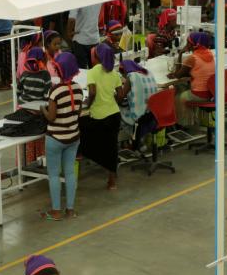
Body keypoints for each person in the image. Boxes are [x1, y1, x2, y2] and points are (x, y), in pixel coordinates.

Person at [42, 52, 83, 220]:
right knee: (70, 173)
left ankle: (56, 211)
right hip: (73, 137)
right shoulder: (79, 89)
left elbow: (51, 117)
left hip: (55, 138)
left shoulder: (55, 91)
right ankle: (71, 210)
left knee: (54, 174)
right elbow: (78, 113)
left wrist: (42, 110)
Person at [82, 43, 128, 190]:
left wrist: (87, 105)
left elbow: (93, 92)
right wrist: (111, 102)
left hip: (99, 117)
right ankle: (112, 181)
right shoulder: (114, 73)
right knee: (112, 146)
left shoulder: (93, 72)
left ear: (96, 56)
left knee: (83, 136)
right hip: (114, 114)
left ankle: (89, 160)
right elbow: (121, 95)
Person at [118, 58, 160, 149]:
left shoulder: (131, 76)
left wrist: (114, 95)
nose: (122, 75)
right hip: (153, 114)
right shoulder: (148, 72)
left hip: (140, 117)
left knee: (118, 111)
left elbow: (120, 98)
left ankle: (132, 141)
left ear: (125, 70)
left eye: (122, 72)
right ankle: (138, 139)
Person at [66, 1, 102, 73]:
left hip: (81, 40)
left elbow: (72, 19)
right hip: (95, 38)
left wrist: (68, 32)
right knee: (95, 71)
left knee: (82, 71)